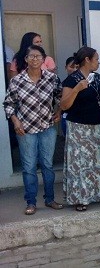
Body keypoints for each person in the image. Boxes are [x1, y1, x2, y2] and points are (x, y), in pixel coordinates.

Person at [3, 45, 63, 215]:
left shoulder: (52, 78)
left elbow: (61, 98)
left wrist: (59, 112)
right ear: (26, 59)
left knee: (47, 165)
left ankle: (50, 199)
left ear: (44, 59)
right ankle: (31, 202)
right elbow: (8, 104)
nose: (35, 59)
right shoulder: (17, 81)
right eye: (31, 56)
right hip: (25, 129)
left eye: (38, 56)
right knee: (29, 167)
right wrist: (15, 121)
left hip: (47, 127)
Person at [60, 47, 100, 211]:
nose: (98, 62)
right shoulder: (72, 80)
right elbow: (64, 105)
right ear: (87, 59)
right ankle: (81, 197)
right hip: (79, 127)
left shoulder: (97, 77)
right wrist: (77, 89)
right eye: (96, 59)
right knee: (80, 164)